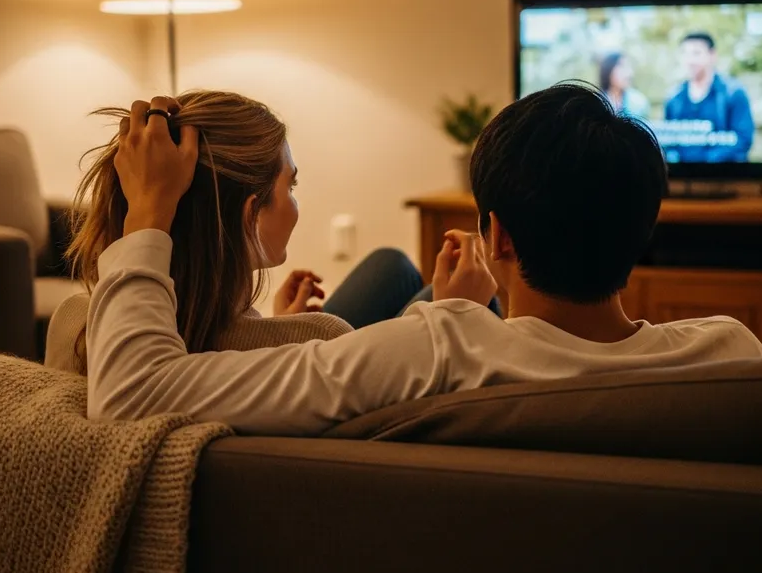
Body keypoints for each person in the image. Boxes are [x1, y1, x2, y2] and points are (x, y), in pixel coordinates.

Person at [83, 84, 762, 435]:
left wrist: (149, 213)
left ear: (497, 238)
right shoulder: (731, 357)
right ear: (642, 232)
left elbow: (132, 397)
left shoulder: (434, 350)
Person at [46, 90, 501, 375]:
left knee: (391, 265)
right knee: (451, 292)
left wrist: (269, 326)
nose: (296, 200)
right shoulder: (321, 339)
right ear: (251, 214)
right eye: (291, 186)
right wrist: (457, 315)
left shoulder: (76, 322)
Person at [664, 32, 755, 162]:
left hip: (724, 172)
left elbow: (743, 139)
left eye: (696, 53)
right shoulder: (674, 97)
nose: (690, 60)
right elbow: (669, 140)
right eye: (685, 53)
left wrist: (706, 162)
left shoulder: (733, 93)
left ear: (712, 55)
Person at [598, 52, 650, 119]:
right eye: (622, 66)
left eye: (629, 67)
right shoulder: (598, 103)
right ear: (608, 69)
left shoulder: (639, 102)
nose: (629, 73)